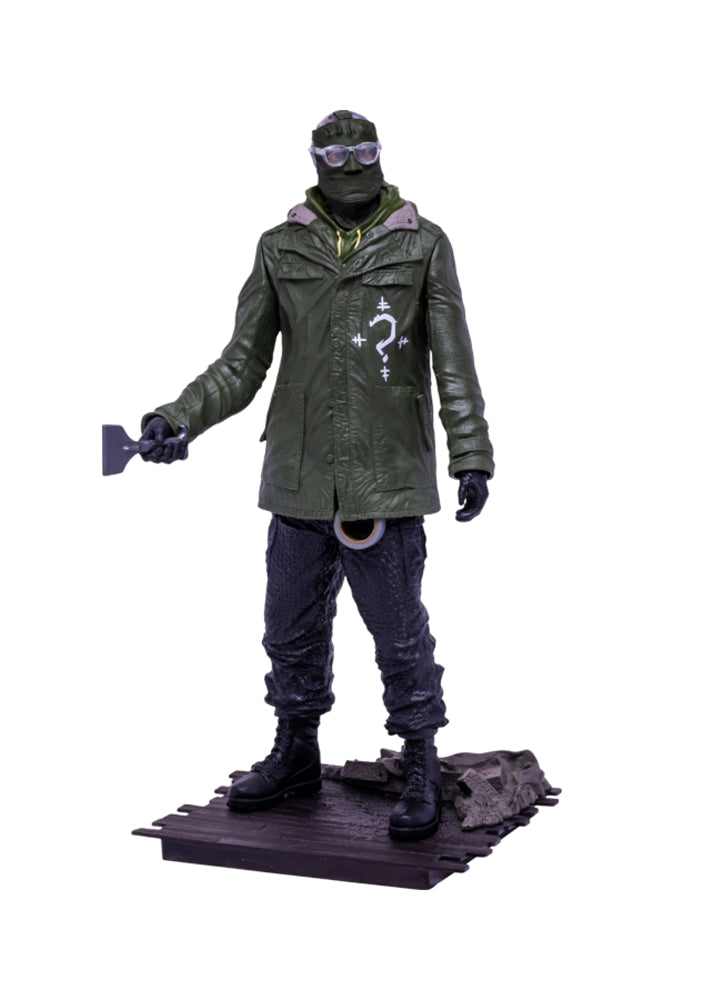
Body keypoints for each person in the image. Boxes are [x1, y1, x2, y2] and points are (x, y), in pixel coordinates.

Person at [140, 110, 493, 840]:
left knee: (399, 634)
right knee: (290, 629)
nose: (351, 164)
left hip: (386, 478)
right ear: (315, 160)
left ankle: (420, 760)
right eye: (336, 154)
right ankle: (296, 750)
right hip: (298, 474)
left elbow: (453, 359)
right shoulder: (281, 247)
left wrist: (472, 453)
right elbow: (242, 362)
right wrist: (178, 418)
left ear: (379, 154)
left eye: (363, 150)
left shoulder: (423, 244)